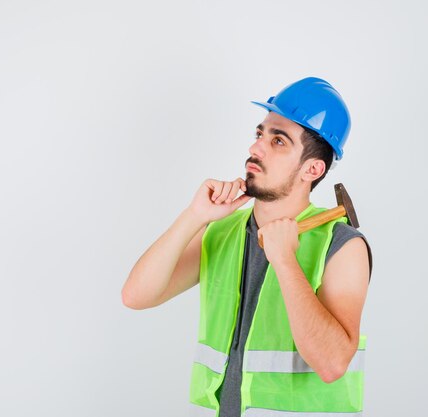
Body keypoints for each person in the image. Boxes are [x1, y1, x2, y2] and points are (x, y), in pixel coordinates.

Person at [122, 77, 373, 416]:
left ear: (313, 169)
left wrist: (285, 261)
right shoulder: (223, 232)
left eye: (279, 141)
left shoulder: (341, 245)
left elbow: (331, 364)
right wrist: (194, 215)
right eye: (260, 135)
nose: (256, 149)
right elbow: (136, 296)